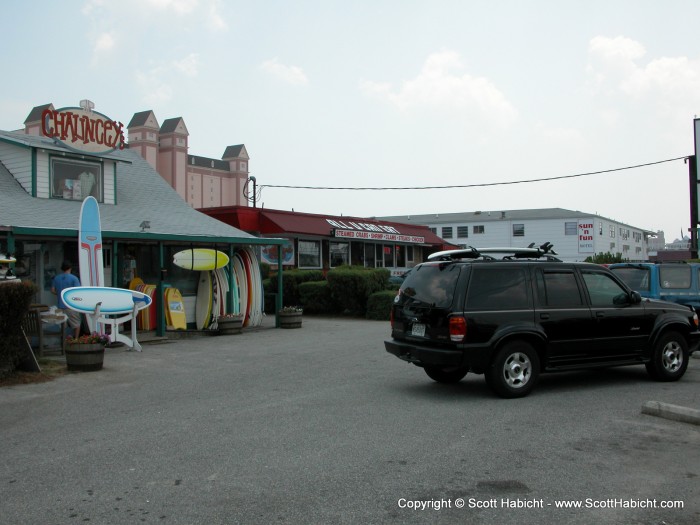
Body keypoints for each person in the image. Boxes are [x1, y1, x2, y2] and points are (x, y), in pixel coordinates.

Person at [51, 260, 81, 338]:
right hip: (70, 305)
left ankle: (63, 341)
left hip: (60, 306)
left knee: (62, 325)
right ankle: (76, 340)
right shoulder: (74, 278)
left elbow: (53, 290)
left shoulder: (56, 278)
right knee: (76, 324)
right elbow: (77, 292)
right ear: (70, 268)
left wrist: (60, 294)